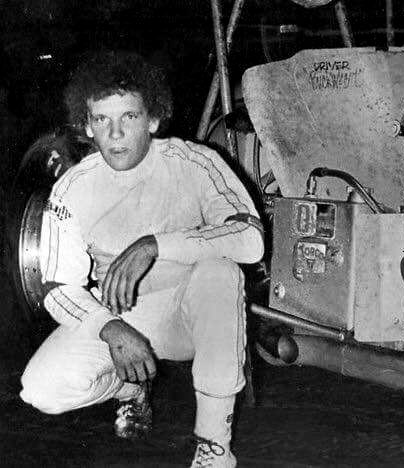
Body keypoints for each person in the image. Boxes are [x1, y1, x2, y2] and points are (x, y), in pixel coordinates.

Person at [19, 50, 264, 468]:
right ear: (87, 126)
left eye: (129, 117)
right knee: (42, 389)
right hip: (125, 315)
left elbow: (250, 237)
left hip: (193, 314)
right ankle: (129, 387)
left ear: (152, 119)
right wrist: (110, 327)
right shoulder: (73, 188)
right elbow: (58, 288)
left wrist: (155, 245)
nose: (115, 134)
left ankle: (214, 447)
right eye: (102, 120)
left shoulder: (194, 161)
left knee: (220, 272)